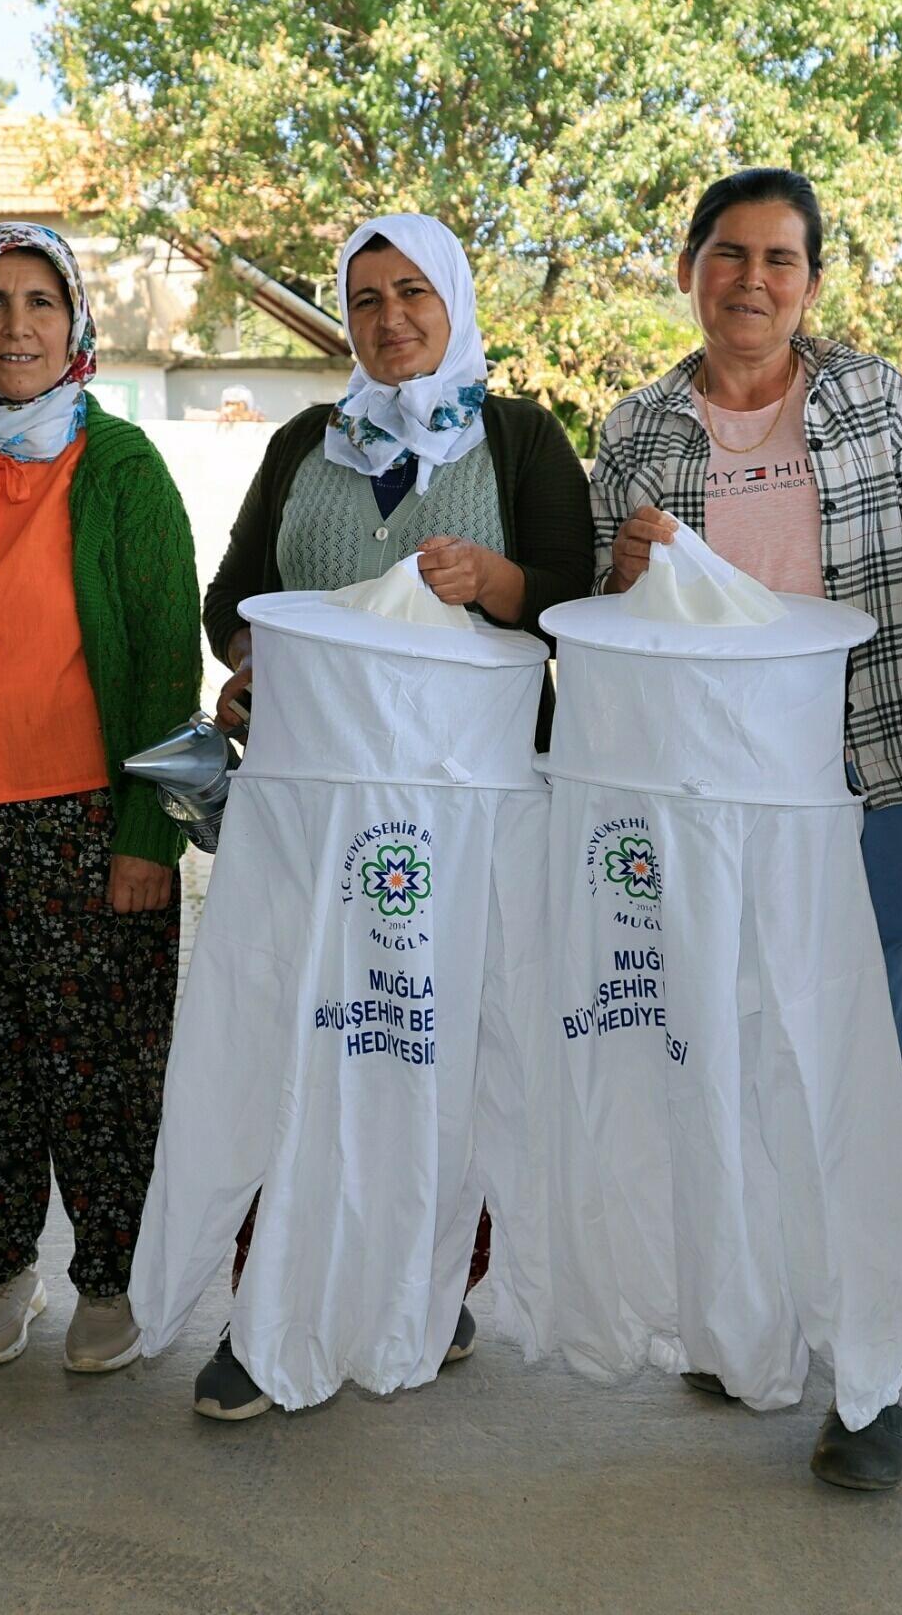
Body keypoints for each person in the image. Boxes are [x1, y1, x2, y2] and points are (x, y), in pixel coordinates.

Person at [587, 169, 902, 1489]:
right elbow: (609, 631)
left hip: (860, 782)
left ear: (811, 282)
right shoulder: (636, 428)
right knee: (718, 1062)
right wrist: (621, 576)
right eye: (728, 254)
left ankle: (868, 1377)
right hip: (700, 808)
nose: (753, 281)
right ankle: (749, 1314)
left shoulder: (875, 401)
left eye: (780, 259)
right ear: (688, 270)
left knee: (852, 1080)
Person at [191, 210, 594, 1421]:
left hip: (464, 814)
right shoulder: (307, 443)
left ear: (455, 301)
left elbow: (575, 596)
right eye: (365, 299)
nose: (390, 318)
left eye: (413, 292)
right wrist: (248, 664)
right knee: (298, 1044)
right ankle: (269, 1314)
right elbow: (233, 597)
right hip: (317, 806)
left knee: (440, 1045)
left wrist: (498, 582)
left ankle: (430, 1284)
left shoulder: (519, 437)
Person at [0, 220, 199, 1377]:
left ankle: (114, 1276)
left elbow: (165, 663)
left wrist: (148, 835)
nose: (17, 326)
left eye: (40, 302)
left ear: (76, 326)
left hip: (83, 818)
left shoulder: (121, 468)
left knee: (103, 1066)